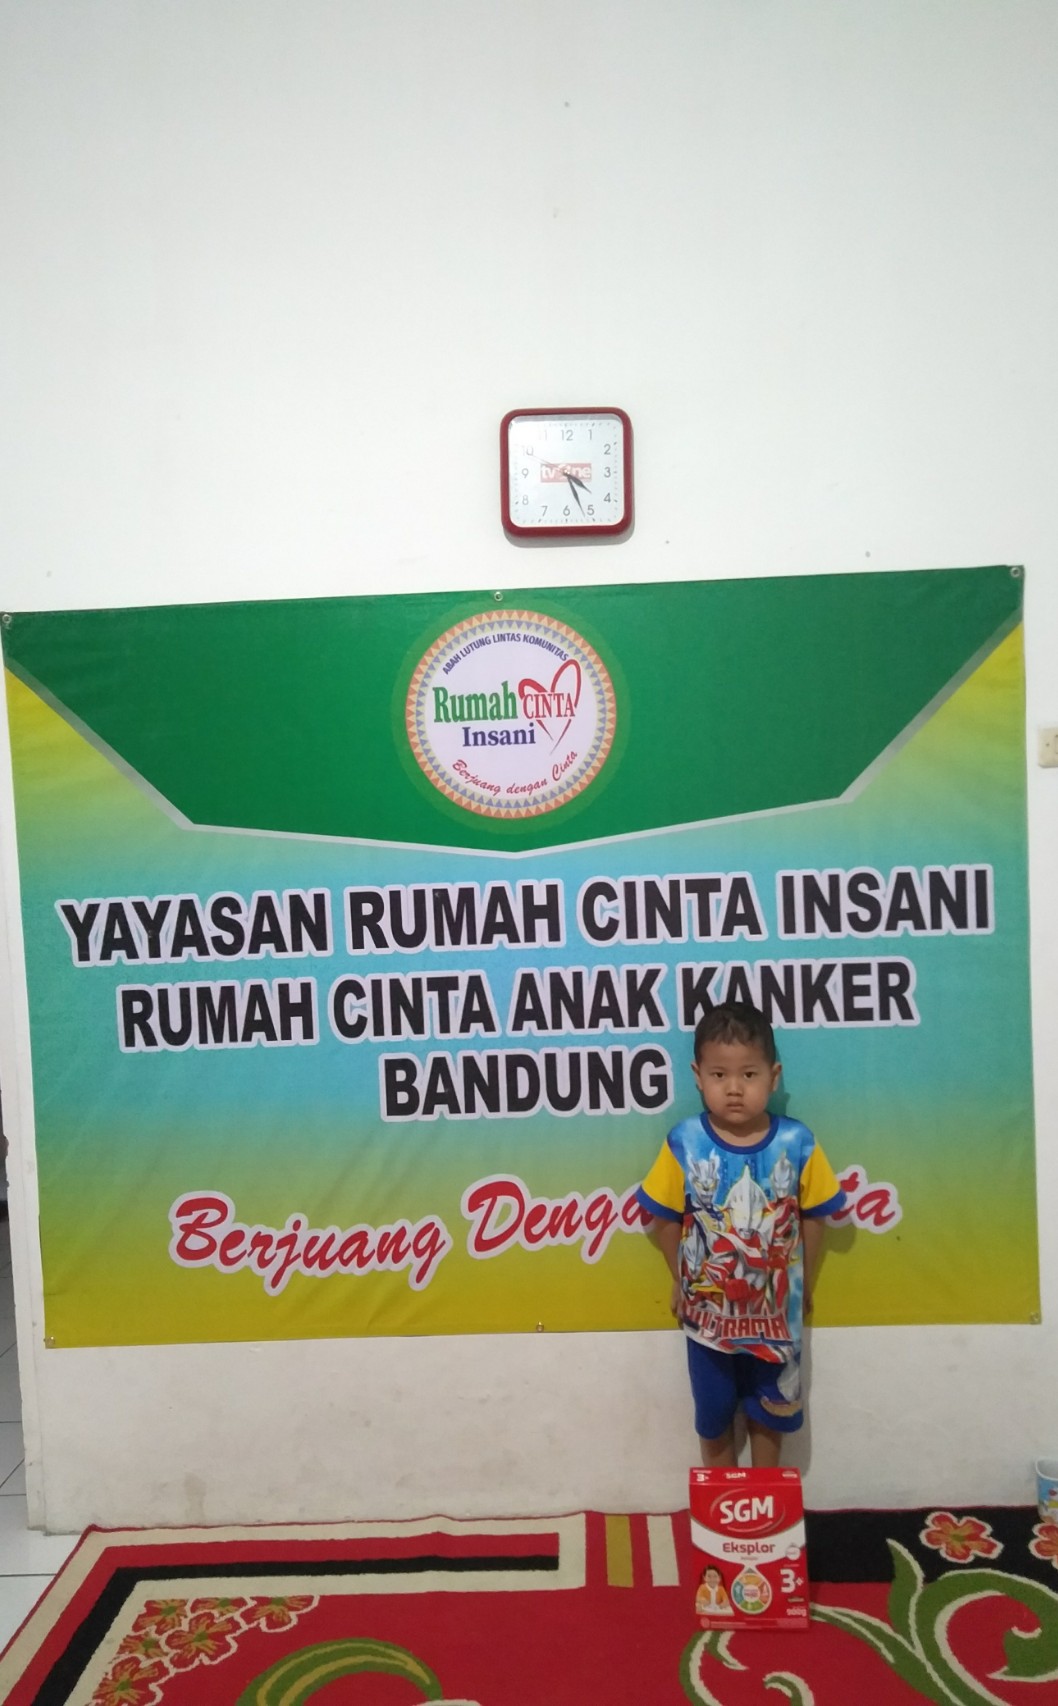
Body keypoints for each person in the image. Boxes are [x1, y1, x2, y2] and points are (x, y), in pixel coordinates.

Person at [636, 1001, 845, 1469]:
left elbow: (814, 1217)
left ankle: (765, 1500)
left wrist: (804, 1283)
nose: (734, 1088)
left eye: (749, 1075)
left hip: (776, 1318)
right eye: (719, 1075)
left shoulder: (797, 1143)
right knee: (713, 1414)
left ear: (773, 1076)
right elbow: (664, 1217)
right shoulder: (684, 1142)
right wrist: (681, 1278)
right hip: (707, 1317)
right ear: (698, 1076)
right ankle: (722, 1506)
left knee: (772, 1409)